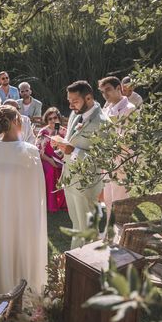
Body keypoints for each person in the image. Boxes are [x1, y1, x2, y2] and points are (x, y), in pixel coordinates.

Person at [0, 105, 47, 294]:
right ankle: (23, 288)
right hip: (21, 210)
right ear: (15, 122)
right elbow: (37, 186)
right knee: (20, 245)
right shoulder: (29, 150)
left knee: (0, 243)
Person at [51, 80, 109, 250]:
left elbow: (103, 158)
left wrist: (72, 151)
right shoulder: (76, 114)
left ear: (89, 98)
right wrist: (61, 147)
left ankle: (84, 265)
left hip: (87, 185)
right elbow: (70, 143)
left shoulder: (103, 123)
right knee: (77, 225)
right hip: (70, 179)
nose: (70, 106)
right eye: (69, 101)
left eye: (74, 101)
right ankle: (79, 263)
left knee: (86, 230)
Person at [98, 76, 137, 225]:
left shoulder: (130, 109)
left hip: (122, 158)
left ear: (118, 88)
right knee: (108, 195)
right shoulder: (107, 108)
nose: (105, 94)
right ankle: (110, 229)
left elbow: (127, 138)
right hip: (107, 157)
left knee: (120, 197)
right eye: (102, 92)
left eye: (108, 89)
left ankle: (122, 229)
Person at [36, 107, 67, 213]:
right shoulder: (43, 131)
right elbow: (39, 150)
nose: (53, 121)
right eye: (50, 119)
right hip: (46, 159)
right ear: (47, 120)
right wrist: (50, 161)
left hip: (61, 160)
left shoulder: (62, 131)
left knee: (65, 171)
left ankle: (63, 203)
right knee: (51, 171)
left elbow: (68, 148)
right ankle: (51, 204)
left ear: (59, 118)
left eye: (55, 117)